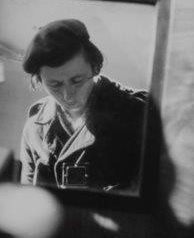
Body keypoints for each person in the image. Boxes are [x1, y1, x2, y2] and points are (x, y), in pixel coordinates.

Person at [19, 19, 148, 191]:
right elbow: (28, 196)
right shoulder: (34, 129)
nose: (67, 94)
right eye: (55, 85)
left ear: (95, 67)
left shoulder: (138, 114)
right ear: (40, 81)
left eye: (77, 80)